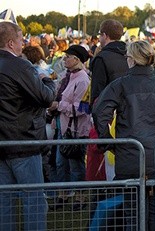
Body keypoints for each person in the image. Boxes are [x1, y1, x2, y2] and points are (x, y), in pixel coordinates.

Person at [93, 40, 155, 231]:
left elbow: (100, 111)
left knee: (133, 213)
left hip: (132, 156)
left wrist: (108, 142)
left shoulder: (120, 85)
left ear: (132, 60)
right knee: (154, 211)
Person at [0, 21, 57, 231]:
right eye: (20, 40)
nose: (22, 44)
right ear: (11, 42)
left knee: (4, 202)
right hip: (23, 142)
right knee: (33, 202)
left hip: (5, 144)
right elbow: (46, 97)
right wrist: (47, 80)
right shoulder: (20, 66)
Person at [87, 19, 128, 182]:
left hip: (107, 114)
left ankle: (104, 191)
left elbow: (97, 92)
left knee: (103, 158)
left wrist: (94, 114)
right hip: (126, 112)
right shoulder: (129, 55)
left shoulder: (102, 58)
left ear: (104, 35)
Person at [55, 45, 91, 209]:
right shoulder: (68, 77)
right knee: (61, 164)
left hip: (76, 131)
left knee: (76, 167)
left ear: (76, 59)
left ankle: (80, 198)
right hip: (64, 128)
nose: (64, 59)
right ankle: (63, 195)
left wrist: (58, 105)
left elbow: (82, 109)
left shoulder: (83, 80)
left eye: (67, 56)